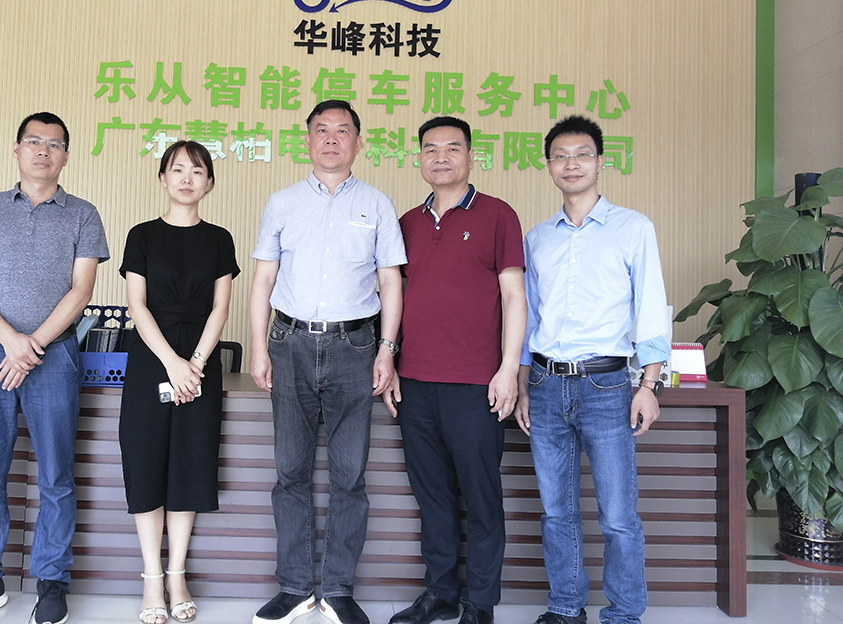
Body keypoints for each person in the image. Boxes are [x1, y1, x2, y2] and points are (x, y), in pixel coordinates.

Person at [0, 112, 109, 624]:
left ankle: (52, 581)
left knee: (57, 476)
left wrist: (32, 346)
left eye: (54, 144)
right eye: (34, 141)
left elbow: (81, 290)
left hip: (54, 358)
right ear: (17, 149)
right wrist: (12, 342)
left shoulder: (83, 214)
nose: (43, 151)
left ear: (66, 156)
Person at [248, 100, 406, 624]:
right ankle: (294, 588)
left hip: (355, 347)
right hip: (290, 342)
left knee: (349, 474)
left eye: (343, 131)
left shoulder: (377, 204)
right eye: (322, 130)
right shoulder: (283, 203)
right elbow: (264, 280)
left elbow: (390, 283)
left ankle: (337, 590)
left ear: (359, 142)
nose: (332, 139)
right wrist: (258, 347)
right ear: (308, 140)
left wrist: (387, 348)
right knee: (290, 471)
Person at [515, 115, 670, 624]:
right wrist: (522, 384)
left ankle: (623, 613)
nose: (571, 164)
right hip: (545, 384)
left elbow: (651, 306)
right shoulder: (537, 238)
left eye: (582, 154)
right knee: (556, 511)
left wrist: (649, 384)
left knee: (618, 515)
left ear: (600, 162)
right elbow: (529, 318)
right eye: (560, 156)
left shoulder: (633, 228)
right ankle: (565, 606)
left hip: (607, 385)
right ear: (548, 166)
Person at [390, 117, 526, 624]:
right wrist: (392, 361)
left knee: (481, 496)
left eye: (452, 148)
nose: (441, 157)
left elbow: (515, 297)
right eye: (430, 149)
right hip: (415, 383)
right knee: (432, 497)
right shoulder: (407, 223)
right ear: (419, 159)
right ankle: (441, 592)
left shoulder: (497, 215)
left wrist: (508, 369)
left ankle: (480, 602)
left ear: (471, 157)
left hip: (476, 384)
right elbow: (394, 297)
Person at [118, 141, 239, 624]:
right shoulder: (142, 235)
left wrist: (196, 363)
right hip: (152, 359)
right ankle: (151, 578)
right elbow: (136, 306)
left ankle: (177, 575)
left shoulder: (220, 239)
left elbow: (220, 308)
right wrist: (172, 363)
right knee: (147, 463)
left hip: (200, 362)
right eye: (178, 169)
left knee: (189, 464)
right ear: (163, 178)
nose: (187, 178)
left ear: (209, 182)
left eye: (197, 171)